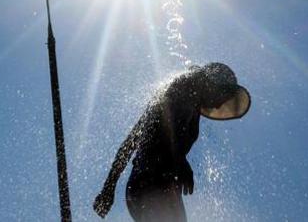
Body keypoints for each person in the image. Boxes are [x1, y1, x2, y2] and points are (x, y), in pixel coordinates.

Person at [93, 62, 250, 221]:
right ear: (214, 83)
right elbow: (138, 139)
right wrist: (109, 187)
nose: (218, 105)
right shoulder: (184, 87)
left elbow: (142, 139)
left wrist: (109, 186)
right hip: (151, 182)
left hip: (158, 184)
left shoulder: (191, 100)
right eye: (222, 97)